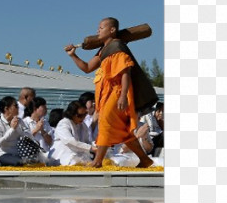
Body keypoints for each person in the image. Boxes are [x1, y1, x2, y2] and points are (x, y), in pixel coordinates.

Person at [65, 17, 153, 168]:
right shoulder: (103, 50)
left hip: (118, 92)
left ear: (112, 30)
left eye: (101, 27)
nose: (98, 30)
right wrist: (73, 55)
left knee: (104, 121)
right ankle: (144, 159)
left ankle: (97, 161)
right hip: (106, 94)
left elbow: (125, 73)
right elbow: (87, 68)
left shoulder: (117, 46)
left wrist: (123, 96)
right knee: (123, 129)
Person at [0, 96, 42, 166]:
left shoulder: (19, 121)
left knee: (36, 162)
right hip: (3, 154)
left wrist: (18, 129)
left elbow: (28, 135)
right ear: (6, 108)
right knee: (20, 163)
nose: (18, 108)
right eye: (16, 106)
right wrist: (12, 129)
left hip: (18, 153)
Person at [49, 101, 96, 166]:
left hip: (77, 154)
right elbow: (70, 141)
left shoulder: (82, 125)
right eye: (79, 115)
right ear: (71, 114)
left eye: (85, 114)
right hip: (61, 156)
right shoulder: (63, 124)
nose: (83, 117)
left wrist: (97, 146)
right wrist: (91, 148)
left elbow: (86, 141)